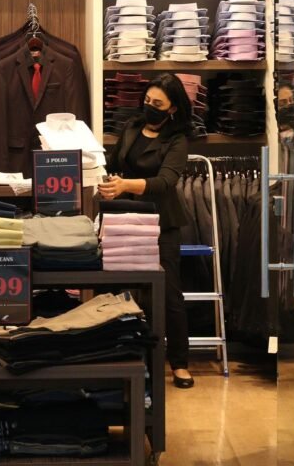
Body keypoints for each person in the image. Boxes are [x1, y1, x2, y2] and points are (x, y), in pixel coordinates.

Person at [98, 73, 195, 388]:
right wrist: (101, 175)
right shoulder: (131, 127)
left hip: (161, 221)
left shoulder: (177, 140)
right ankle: (124, 354)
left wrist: (125, 184)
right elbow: (114, 162)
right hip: (125, 217)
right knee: (118, 286)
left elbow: (165, 182)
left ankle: (179, 363)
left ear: (173, 109)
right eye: (148, 100)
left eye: (158, 104)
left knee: (169, 292)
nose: (150, 106)